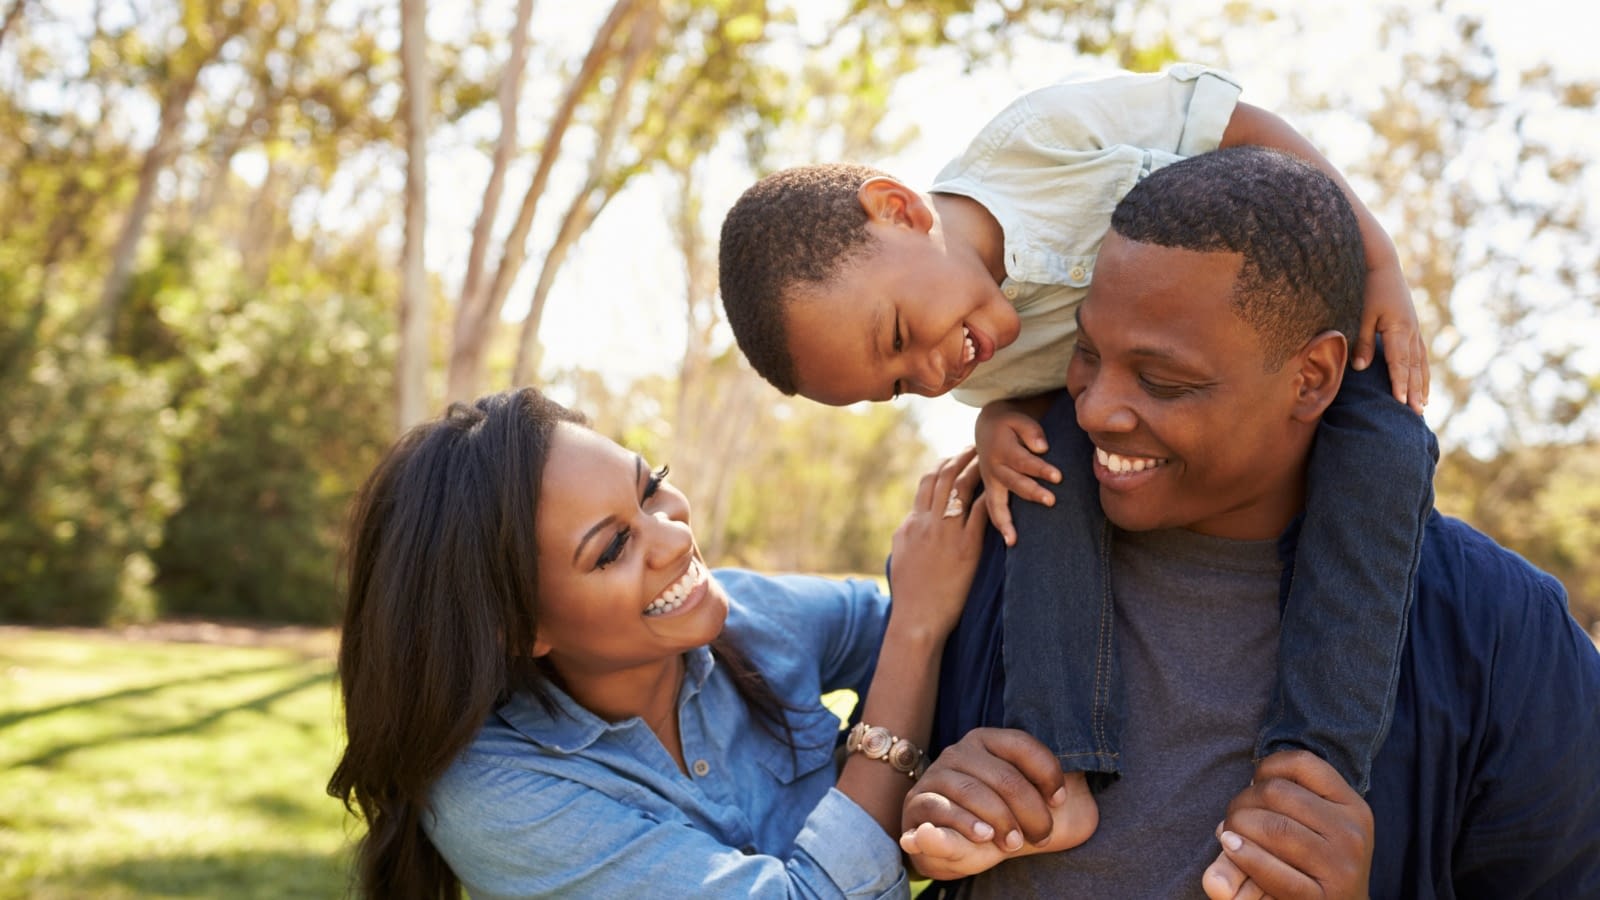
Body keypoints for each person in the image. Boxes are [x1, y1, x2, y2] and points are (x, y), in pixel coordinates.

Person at [718, 63, 1435, 850]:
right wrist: (997, 420)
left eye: (897, 336)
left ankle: (1313, 765)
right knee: (1039, 475)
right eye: (896, 385)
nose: (928, 375)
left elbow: (1243, 130)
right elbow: (1051, 391)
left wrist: (1375, 264)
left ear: (897, 210)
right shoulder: (974, 359)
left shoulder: (1040, 142)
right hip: (1139, 417)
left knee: (1390, 446)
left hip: (1278, 338)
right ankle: (1059, 768)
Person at [896, 146, 1600, 898]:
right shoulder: (993, 544)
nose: (1095, 409)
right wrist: (926, 819)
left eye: (1164, 381)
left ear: (1314, 377)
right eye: (1087, 353)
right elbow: (853, 815)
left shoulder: (1496, 631)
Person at [326, 387, 990, 899]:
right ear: (518, 628)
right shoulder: (495, 797)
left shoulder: (750, 617)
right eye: (613, 546)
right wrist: (914, 637)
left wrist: (1005, 431)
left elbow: (965, 627)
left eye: (650, 488)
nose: (674, 538)